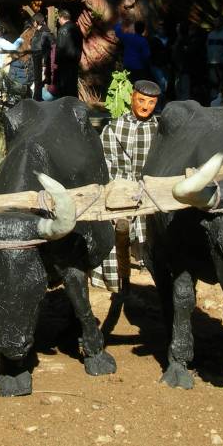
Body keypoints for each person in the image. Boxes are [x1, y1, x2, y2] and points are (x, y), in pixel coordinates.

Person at [93, 80, 161, 293]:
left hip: (150, 189)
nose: (145, 107)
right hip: (119, 186)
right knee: (113, 229)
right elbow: (105, 162)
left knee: (157, 231)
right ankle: (114, 281)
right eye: (141, 100)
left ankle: (150, 272)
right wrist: (114, 189)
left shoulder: (159, 130)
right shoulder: (114, 128)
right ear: (131, 97)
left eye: (151, 103)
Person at [54, 9, 81, 98]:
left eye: (58, 18)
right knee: (73, 86)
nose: (58, 21)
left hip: (64, 64)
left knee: (64, 89)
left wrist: (56, 63)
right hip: (75, 62)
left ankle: (65, 108)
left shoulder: (62, 30)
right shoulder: (77, 29)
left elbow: (60, 49)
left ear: (62, 17)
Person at [206, 17, 223, 98]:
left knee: (222, 85)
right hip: (211, 63)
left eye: (217, 21)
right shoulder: (211, 34)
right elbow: (208, 47)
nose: (215, 23)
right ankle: (214, 102)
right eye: (215, 21)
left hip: (221, 65)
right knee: (213, 85)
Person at [30, 13, 54, 101]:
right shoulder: (38, 31)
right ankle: (37, 97)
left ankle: (38, 98)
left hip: (41, 61)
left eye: (33, 21)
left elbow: (48, 49)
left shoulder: (45, 33)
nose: (33, 23)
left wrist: (45, 63)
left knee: (39, 80)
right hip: (36, 60)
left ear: (37, 22)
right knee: (37, 80)